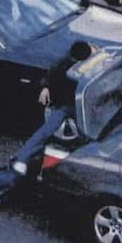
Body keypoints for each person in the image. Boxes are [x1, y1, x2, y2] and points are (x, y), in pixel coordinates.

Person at [11, 41, 94, 172]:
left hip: (72, 104)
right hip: (69, 104)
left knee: (45, 133)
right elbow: (51, 75)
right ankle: (21, 158)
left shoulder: (70, 60)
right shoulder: (64, 65)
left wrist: (46, 87)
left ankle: (20, 158)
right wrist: (46, 87)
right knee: (86, 133)